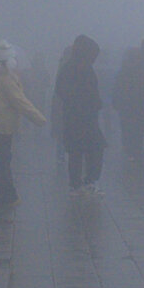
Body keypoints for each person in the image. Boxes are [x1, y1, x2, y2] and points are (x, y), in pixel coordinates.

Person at [0, 41, 47, 206]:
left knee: (4, 158)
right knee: (5, 160)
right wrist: (39, 119)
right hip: (3, 124)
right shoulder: (6, 80)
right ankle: (7, 196)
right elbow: (20, 102)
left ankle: (2, 194)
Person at [54, 34, 106, 196]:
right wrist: (92, 103)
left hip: (73, 116)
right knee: (95, 148)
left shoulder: (69, 67)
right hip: (84, 116)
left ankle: (76, 184)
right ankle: (89, 182)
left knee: (76, 151)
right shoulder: (82, 68)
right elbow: (82, 92)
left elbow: (60, 91)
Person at [111, 47, 139, 159]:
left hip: (125, 103)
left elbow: (117, 86)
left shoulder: (123, 70)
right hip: (134, 102)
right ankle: (133, 148)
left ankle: (128, 147)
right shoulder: (138, 70)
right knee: (134, 126)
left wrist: (115, 100)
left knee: (126, 126)